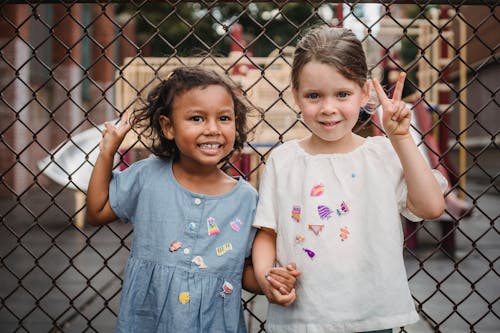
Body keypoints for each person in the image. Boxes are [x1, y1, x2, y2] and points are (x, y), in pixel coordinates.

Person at [252, 26, 447, 333]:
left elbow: (431, 207)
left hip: (371, 316)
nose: (328, 108)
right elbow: (267, 233)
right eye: (314, 96)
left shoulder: (383, 155)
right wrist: (267, 278)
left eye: (342, 94)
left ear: (364, 93)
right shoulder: (284, 160)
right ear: (296, 96)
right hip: (302, 317)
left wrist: (401, 138)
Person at [86, 66, 300, 332]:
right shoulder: (148, 176)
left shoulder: (245, 199)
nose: (212, 129)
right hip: (149, 321)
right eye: (197, 118)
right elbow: (96, 212)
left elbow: (243, 271)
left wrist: (270, 281)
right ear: (168, 127)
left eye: (224, 118)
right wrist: (107, 153)